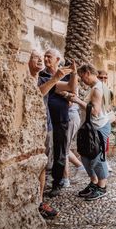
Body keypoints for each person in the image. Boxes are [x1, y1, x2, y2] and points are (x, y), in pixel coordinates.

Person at [63, 63, 112, 201]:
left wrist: (77, 100)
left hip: (98, 127)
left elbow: (95, 112)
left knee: (97, 157)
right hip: (90, 127)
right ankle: (94, 183)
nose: (81, 80)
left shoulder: (97, 88)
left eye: (82, 76)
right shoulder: (96, 87)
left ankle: (102, 187)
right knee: (85, 156)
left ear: (88, 73)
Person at [38, 49, 77, 198]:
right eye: (45, 56)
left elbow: (72, 89)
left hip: (61, 118)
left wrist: (73, 73)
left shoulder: (65, 76)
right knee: (45, 151)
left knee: (60, 151)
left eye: (49, 56)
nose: (46, 58)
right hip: (46, 119)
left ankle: (57, 183)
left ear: (58, 59)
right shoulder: (42, 76)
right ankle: (42, 180)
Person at [27, 50, 57, 219]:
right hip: (30, 131)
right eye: (35, 57)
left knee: (43, 166)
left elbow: (68, 88)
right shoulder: (26, 79)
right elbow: (37, 93)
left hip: (45, 127)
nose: (40, 60)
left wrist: (72, 74)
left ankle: (39, 201)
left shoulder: (44, 78)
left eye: (41, 57)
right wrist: (55, 78)